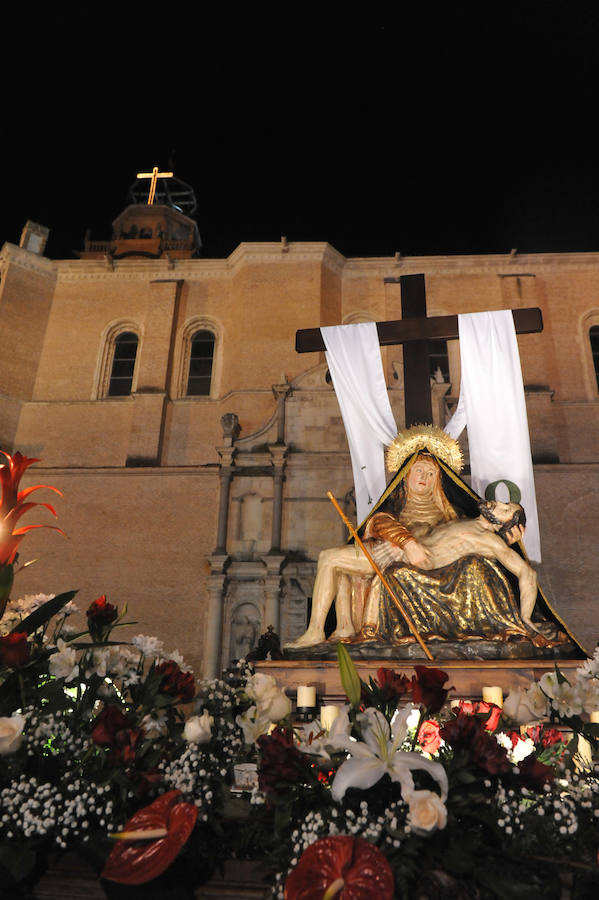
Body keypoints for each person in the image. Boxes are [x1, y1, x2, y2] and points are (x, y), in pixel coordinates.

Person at [284, 426, 576, 653]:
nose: (423, 476)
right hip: (393, 549)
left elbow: (525, 572)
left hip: (405, 562)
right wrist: (408, 541)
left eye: (431, 472)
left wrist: (526, 619)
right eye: (418, 470)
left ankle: (316, 632)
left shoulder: (481, 536)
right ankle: (336, 629)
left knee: (330, 558)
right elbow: (381, 520)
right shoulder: (458, 518)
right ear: (406, 474)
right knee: (334, 560)